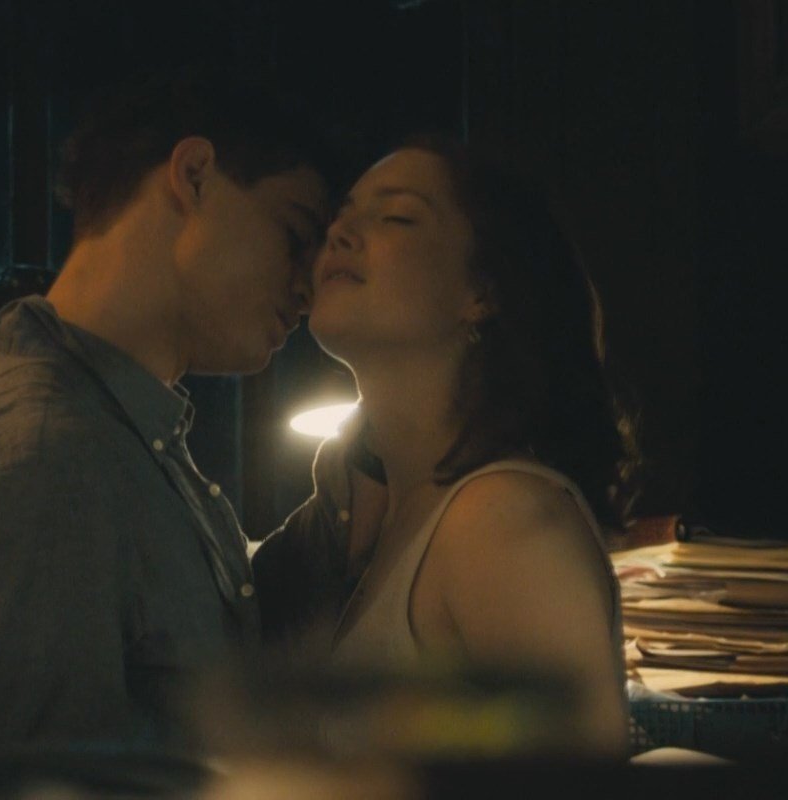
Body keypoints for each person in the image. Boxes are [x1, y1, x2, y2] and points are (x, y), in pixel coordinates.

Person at [0, 72, 336, 799]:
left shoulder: (118, 429)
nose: (309, 288)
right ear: (194, 175)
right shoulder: (44, 457)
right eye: (295, 233)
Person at [250, 135, 637, 757]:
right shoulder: (384, 508)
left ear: (482, 290)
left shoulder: (502, 520)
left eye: (396, 217)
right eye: (341, 216)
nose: (341, 233)